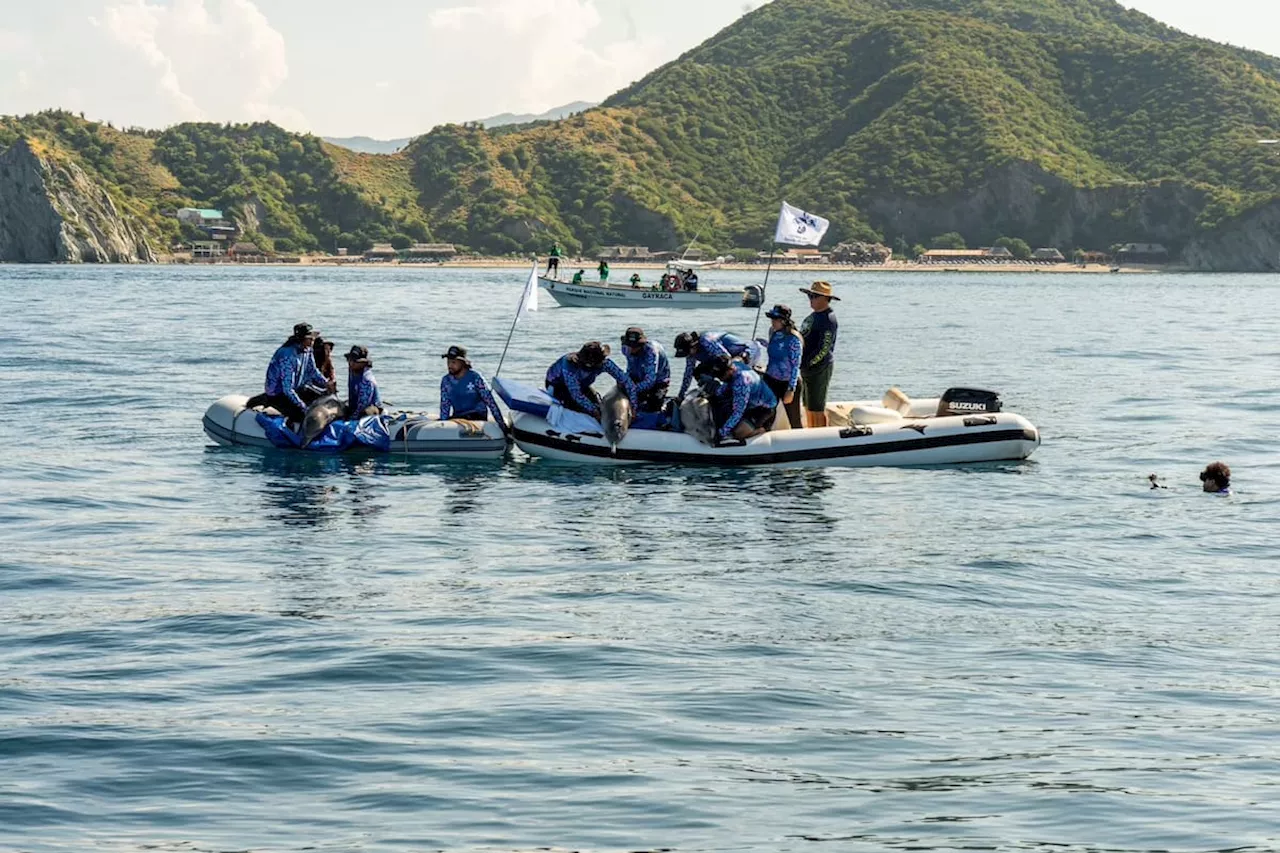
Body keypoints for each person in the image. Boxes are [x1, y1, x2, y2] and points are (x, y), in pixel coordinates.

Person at [248, 322, 330, 424]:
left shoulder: (307, 350)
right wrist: (303, 407)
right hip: (279, 394)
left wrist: (326, 383)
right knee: (301, 414)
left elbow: (312, 370)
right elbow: (287, 389)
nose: (313, 340)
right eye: (310, 338)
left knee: (324, 398)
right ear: (302, 339)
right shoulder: (287, 355)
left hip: (298, 388)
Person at [545, 341, 637, 419]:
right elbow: (576, 394)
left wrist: (633, 406)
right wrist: (593, 411)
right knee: (580, 409)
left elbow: (627, 382)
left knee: (598, 404)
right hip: (558, 386)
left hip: (582, 384)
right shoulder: (569, 366)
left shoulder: (605, 363)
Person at [705, 355, 777, 442]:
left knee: (738, 432)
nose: (720, 379)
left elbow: (738, 412)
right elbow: (724, 387)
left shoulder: (741, 382)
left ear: (729, 370)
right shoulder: (735, 365)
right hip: (749, 402)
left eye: (721, 376)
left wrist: (722, 433)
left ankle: (763, 430)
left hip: (763, 408)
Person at [799, 280, 840, 428]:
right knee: (807, 404)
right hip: (806, 367)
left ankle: (821, 434)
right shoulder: (813, 316)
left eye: (814, 296)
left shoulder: (828, 319)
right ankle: (811, 430)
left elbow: (824, 348)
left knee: (817, 406)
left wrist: (809, 363)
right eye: (810, 296)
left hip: (819, 367)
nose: (811, 299)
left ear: (825, 299)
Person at [674, 330, 751, 399]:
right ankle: (712, 390)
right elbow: (688, 374)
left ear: (693, 346)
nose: (688, 356)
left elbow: (726, 358)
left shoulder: (706, 341)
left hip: (739, 353)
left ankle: (725, 391)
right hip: (719, 359)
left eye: (688, 352)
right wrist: (681, 394)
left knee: (720, 366)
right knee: (698, 372)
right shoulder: (690, 354)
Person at [761, 304, 804, 429]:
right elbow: (774, 350)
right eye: (772, 319)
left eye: (776, 319)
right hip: (770, 379)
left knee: (794, 419)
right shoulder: (772, 332)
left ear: (784, 321)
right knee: (766, 415)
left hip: (787, 382)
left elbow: (796, 366)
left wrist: (791, 389)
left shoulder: (793, 339)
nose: (773, 322)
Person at [439, 345, 504, 423]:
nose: (450, 365)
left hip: (477, 416)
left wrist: (501, 424)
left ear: (463, 363)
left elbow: (491, 403)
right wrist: (443, 424)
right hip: (458, 416)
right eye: (448, 362)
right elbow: (445, 406)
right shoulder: (446, 381)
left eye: (453, 362)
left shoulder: (475, 377)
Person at [620, 327, 670, 413]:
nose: (632, 349)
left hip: (658, 381)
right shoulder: (627, 350)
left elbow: (650, 380)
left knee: (654, 407)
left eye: (635, 346)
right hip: (637, 376)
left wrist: (633, 389)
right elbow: (629, 369)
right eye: (630, 346)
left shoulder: (651, 351)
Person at [344, 345, 383, 417]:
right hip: (355, 405)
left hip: (371, 406)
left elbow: (364, 403)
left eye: (355, 361)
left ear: (363, 363)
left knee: (365, 413)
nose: (351, 363)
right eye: (349, 360)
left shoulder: (367, 380)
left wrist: (352, 417)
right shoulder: (352, 372)